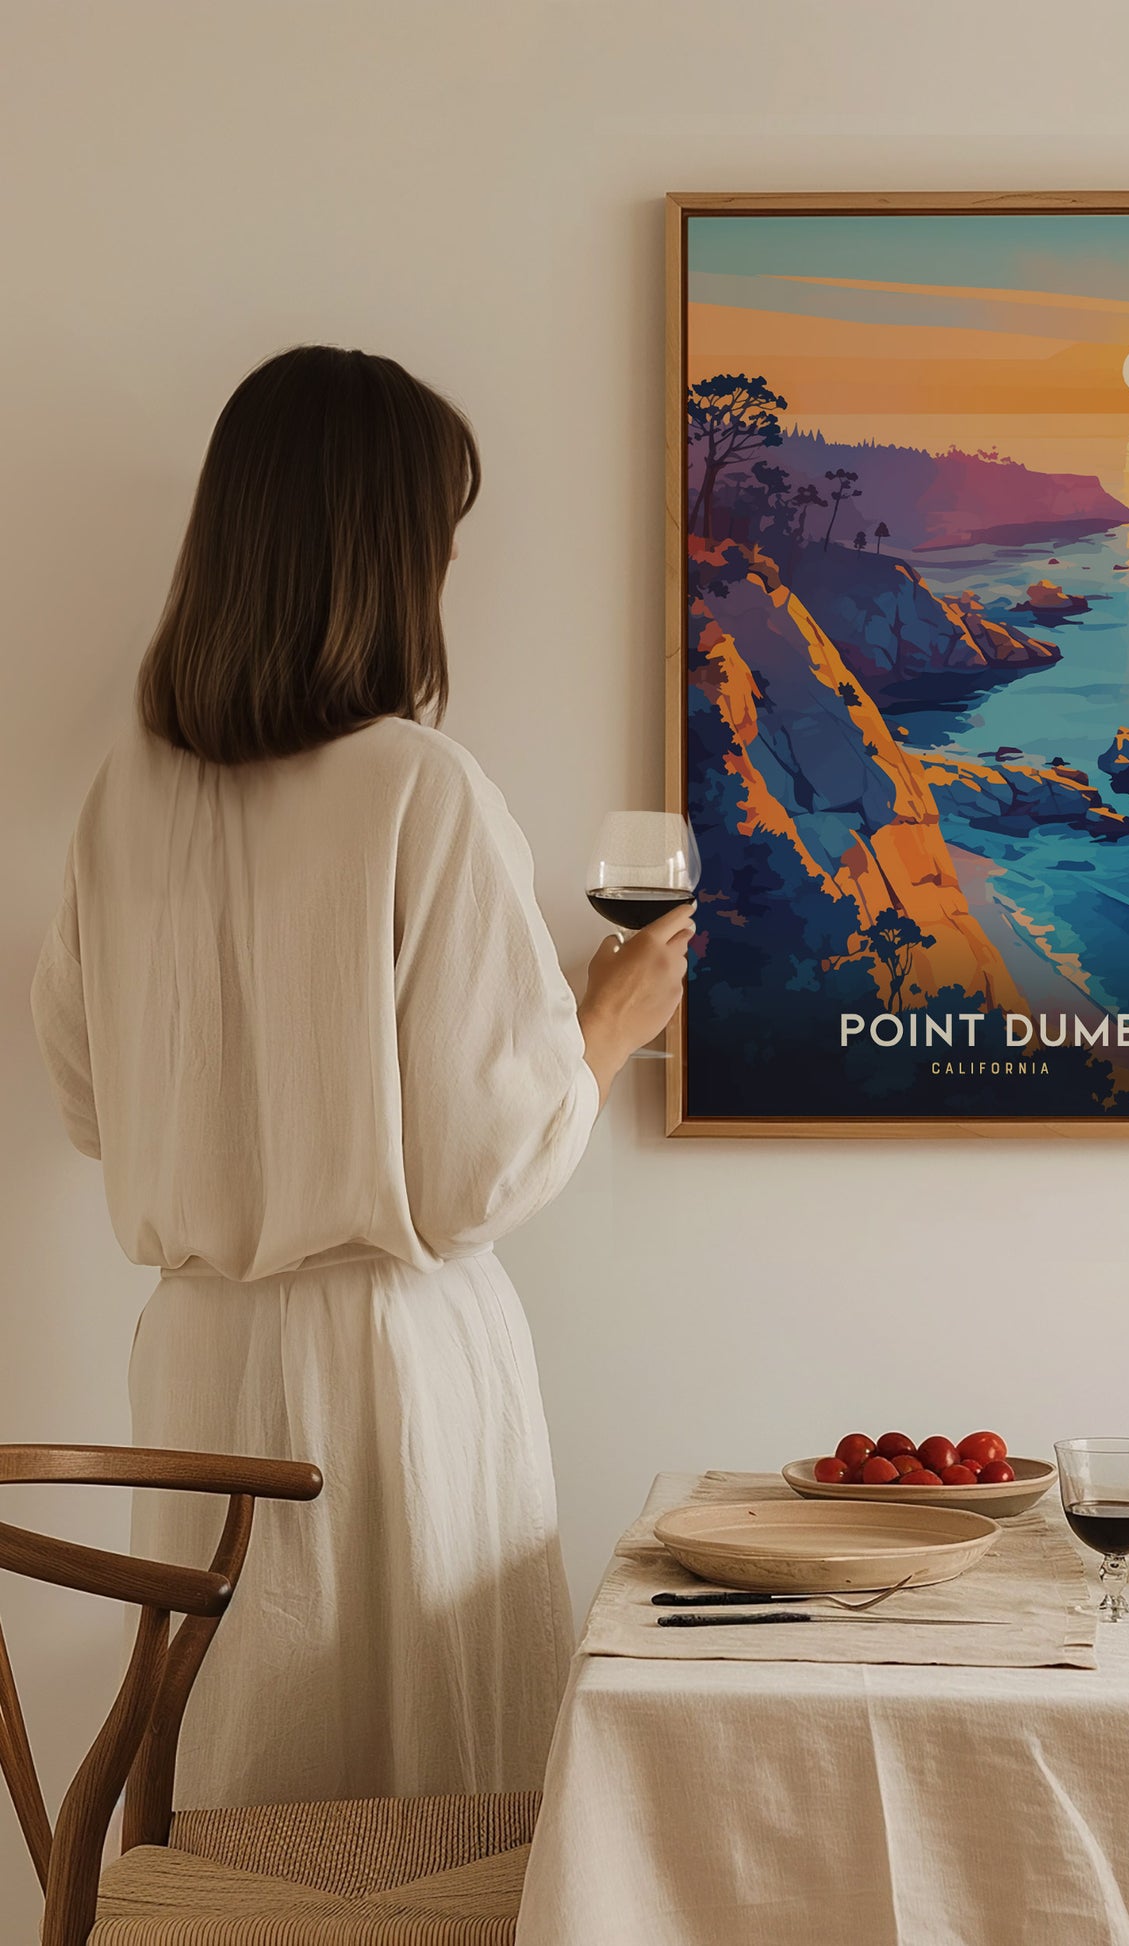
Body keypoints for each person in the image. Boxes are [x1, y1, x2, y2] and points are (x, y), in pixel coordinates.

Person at [29, 345, 691, 1806]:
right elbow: (473, 1174)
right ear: (387, 556)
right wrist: (606, 1021)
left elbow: (87, 1100)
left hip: (196, 1362)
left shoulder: (122, 797)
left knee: (240, 1792)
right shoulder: (417, 786)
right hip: (391, 1373)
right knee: (424, 1811)